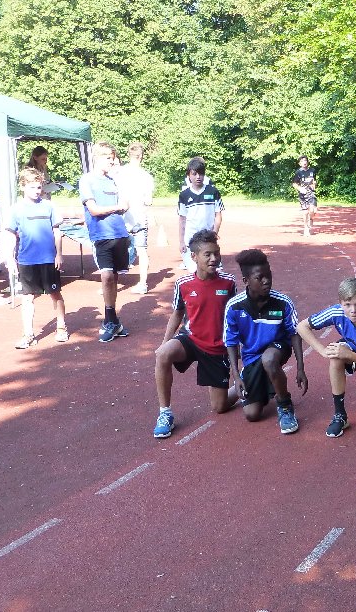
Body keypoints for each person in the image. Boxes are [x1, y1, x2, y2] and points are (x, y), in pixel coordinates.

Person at [151, 229, 238, 439]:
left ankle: (246, 383)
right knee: (163, 354)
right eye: (208, 254)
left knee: (220, 407)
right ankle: (165, 413)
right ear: (194, 256)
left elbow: (235, 317)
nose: (214, 258)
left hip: (217, 347)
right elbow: (177, 313)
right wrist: (165, 342)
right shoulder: (183, 284)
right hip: (190, 339)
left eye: (216, 253)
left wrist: (236, 348)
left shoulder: (229, 282)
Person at [224, 249, 308, 433]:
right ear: (246, 281)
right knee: (251, 414)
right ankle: (256, 383)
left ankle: (285, 405)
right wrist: (236, 377)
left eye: (268, 275)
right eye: (259, 277)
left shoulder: (283, 302)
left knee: (269, 360)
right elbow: (230, 342)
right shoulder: (234, 307)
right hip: (252, 357)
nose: (266, 281)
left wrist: (300, 368)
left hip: (277, 349)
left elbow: (294, 333)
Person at [296, 277, 356, 437]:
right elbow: (302, 326)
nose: (353, 310)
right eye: (347, 305)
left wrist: (350, 355)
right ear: (340, 303)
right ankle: (340, 415)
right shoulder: (336, 312)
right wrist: (322, 351)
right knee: (335, 355)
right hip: (352, 348)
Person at [3, 168, 69, 349]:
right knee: (27, 297)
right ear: (23, 187)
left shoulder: (48, 206)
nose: (36, 191)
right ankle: (28, 334)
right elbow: (10, 234)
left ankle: (61, 327)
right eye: (32, 187)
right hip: (27, 260)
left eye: (39, 187)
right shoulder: (16, 209)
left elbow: (57, 232)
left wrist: (59, 254)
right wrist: (10, 258)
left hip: (48, 259)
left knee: (55, 293)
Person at [79, 141, 132, 342]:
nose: (111, 161)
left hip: (119, 234)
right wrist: (117, 207)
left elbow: (124, 204)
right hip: (101, 235)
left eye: (112, 158)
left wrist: (123, 205)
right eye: (108, 158)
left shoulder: (113, 181)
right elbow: (93, 210)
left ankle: (113, 320)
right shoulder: (87, 180)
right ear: (97, 158)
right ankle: (110, 320)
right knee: (107, 276)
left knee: (114, 277)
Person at [117, 142, 155, 294]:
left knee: (116, 250)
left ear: (129, 155)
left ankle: (111, 283)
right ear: (141, 156)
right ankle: (143, 284)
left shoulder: (120, 173)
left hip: (122, 216)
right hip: (140, 217)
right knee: (142, 250)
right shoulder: (146, 176)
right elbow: (149, 201)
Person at [176, 157, 224, 271]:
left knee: (212, 272)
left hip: (208, 239)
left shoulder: (213, 192)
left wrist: (214, 233)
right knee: (195, 273)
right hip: (190, 240)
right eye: (194, 174)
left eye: (201, 173)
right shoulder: (184, 195)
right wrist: (181, 242)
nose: (198, 177)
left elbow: (218, 215)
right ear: (189, 175)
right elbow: (182, 219)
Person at [291, 155, 317, 236]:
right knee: (305, 212)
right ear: (299, 163)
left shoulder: (312, 170)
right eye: (302, 161)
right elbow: (294, 184)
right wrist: (300, 189)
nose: (304, 162)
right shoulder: (298, 172)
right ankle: (306, 228)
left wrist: (314, 184)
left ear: (307, 162)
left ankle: (311, 219)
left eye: (305, 160)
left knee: (312, 210)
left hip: (311, 193)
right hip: (303, 195)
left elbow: (314, 180)